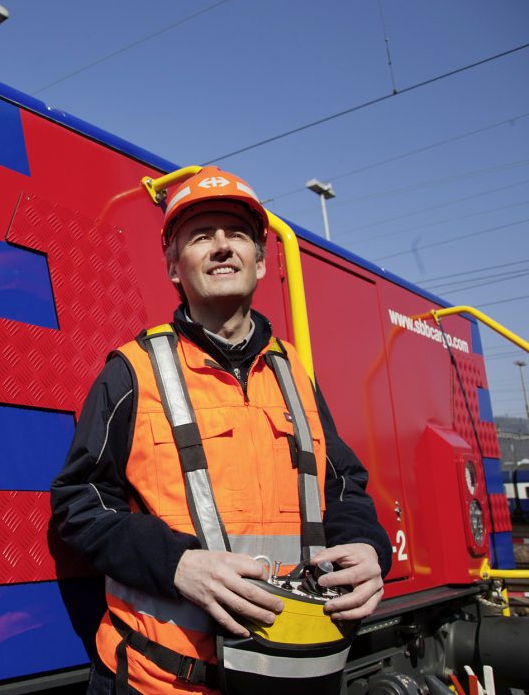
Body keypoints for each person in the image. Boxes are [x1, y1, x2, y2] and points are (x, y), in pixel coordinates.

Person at [51, 166, 391, 694]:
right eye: (201, 236)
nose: (222, 247)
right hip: (161, 681)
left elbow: (342, 483)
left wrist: (369, 547)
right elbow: (79, 505)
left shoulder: (293, 373)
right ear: (173, 266)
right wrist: (178, 565)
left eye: (236, 234)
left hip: (296, 673)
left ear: (261, 261)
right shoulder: (132, 370)